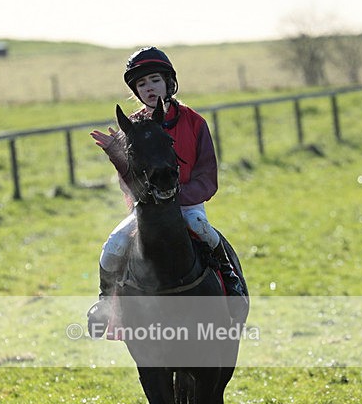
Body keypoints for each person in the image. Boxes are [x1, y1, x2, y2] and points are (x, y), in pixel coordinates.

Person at [88, 46, 245, 336]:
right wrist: (116, 154)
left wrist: (176, 197)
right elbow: (130, 180)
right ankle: (104, 305)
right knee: (114, 244)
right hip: (148, 210)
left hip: (186, 205)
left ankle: (232, 285)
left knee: (204, 229)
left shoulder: (195, 122)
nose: (149, 88)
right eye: (142, 84)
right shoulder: (131, 127)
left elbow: (207, 174)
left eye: (155, 80)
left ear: (169, 82)